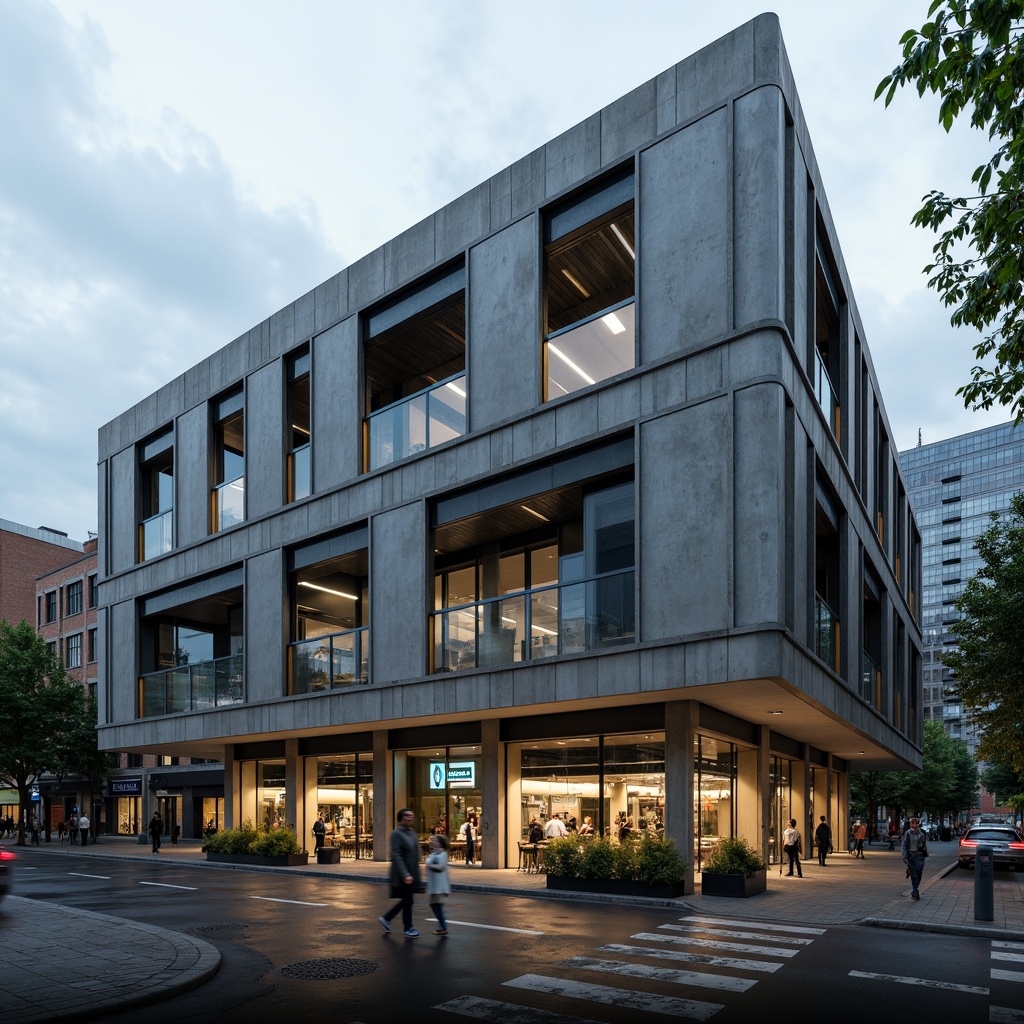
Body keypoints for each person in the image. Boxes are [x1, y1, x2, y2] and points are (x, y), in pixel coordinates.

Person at [379, 807, 421, 937]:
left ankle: (387, 918)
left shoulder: (412, 833)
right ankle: (408, 928)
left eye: (412, 816)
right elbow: (396, 855)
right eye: (408, 816)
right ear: (402, 818)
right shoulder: (396, 834)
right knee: (408, 901)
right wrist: (405, 874)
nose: (411, 818)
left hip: (411, 873)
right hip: (403, 875)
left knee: (407, 900)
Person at [426, 833, 451, 935]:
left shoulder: (443, 854)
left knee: (438, 907)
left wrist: (430, 865)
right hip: (433, 885)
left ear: (440, 844)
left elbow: (440, 866)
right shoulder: (433, 854)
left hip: (440, 887)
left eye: (435, 841)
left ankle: (443, 927)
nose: (433, 842)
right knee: (433, 906)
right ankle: (442, 926)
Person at [902, 816, 928, 900]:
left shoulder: (923, 832)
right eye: (911, 823)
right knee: (913, 874)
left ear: (918, 824)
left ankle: (915, 889)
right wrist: (905, 856)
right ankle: (915, 890)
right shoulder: (908, 833)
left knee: (919, 873)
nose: (913, 825)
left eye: (915, 823)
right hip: (911, 856)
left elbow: (924, 844)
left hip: (920, 856)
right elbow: (905, 845)